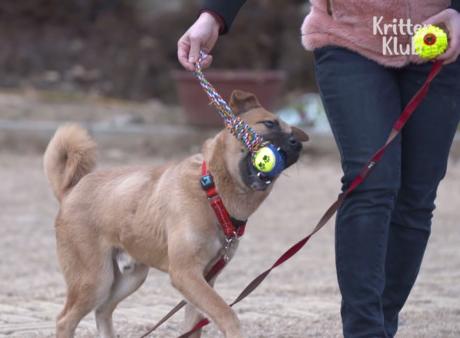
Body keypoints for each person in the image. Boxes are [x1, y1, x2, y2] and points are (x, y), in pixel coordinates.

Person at [177, 0, 460, 337]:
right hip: (349, 36)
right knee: (371, 182)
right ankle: (365, 332)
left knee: (416, 195)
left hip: (442, 36)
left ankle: (382, 325)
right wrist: (214, 14)